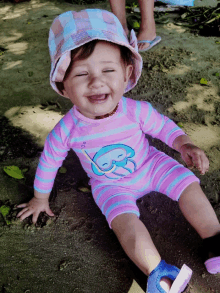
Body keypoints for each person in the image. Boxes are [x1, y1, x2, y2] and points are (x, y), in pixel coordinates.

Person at [16, 9, 220, 293]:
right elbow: (49, 162)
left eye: (108, 70)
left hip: (150, 164)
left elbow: (163, 127)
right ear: (63, 85)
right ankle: (158, 272)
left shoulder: (135, 110)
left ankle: (214, 241)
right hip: (109, 184)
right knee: (124, 224)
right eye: (81, 73)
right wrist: (39, 198)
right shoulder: (66, 129)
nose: (96, 81)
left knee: (188, 185)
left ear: (126, 74)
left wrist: (184, 144)